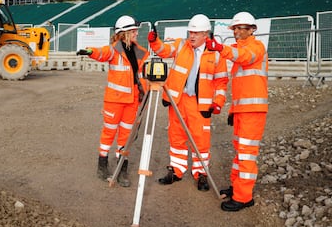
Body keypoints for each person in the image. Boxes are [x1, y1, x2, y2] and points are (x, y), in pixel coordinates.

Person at [147, 14, 228, 191]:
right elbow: (163, 50)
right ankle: (176, 170)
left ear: (206, 34)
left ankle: (201, 173)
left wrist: (218, 102)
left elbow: (221, 81)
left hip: (201, 105)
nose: (192, 36)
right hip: (178, 101)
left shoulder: (216, 54)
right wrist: (154, 41)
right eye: (190, 32)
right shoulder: (181, 44)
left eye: (196, 33)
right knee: (176, 137)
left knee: (201, 140)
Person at [77, 15, 150, 187]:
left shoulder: (140, 52)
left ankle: (121, 169)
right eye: (133, 31)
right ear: (123, 33)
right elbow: (102, 53)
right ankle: (102, 166)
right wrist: (90, 51)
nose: (136, 34)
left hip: (132, 102)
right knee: (109, 133)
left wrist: (144, 95)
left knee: (126, 136)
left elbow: (143, 75)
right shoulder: (114, 50)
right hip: (115, 102)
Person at [206, 11, 268, 211]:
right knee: (239, 152)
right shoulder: (238, 48)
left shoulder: (256, 47)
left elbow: (242, 57)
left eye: (242, 28)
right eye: (236, 28)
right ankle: (237, 188)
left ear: (252, 30)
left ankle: (244, 197)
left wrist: (219, 47)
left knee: (247, 154)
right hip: (243, 110)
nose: (238, 32)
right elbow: (241, 86)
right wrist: (233, 110)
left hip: (253, 111)